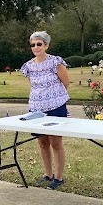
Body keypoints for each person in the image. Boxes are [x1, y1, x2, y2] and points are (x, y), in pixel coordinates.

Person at [21, 31, 70, 190]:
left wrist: (52, 96)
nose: (36, 47)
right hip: (36, 109)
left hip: (56, 107)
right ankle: (47, 175)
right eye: (33, 44)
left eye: (39, 44)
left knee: (56, 143)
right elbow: (33, 86)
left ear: (46, 45)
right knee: (42, 143)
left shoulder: (55, 62)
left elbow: (66, 82)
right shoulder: (28, 66)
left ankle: (58, 178)